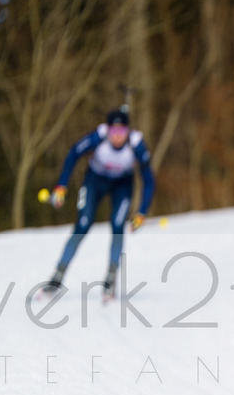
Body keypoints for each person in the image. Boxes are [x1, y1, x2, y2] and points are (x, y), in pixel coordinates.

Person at [43, 108, 155, 299]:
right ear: (107, 130)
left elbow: (149, 181)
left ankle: (111, 278)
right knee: (83, 224)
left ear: (128, 131)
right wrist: (61, 185)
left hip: (122, 185)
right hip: (95, 181)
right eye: (114, 131)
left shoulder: (136, 145)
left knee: (118, 224)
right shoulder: (98, 138)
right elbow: (73, 154)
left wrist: (142, 212)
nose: (117, 137)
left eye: (122, 132)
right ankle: (58, 275)